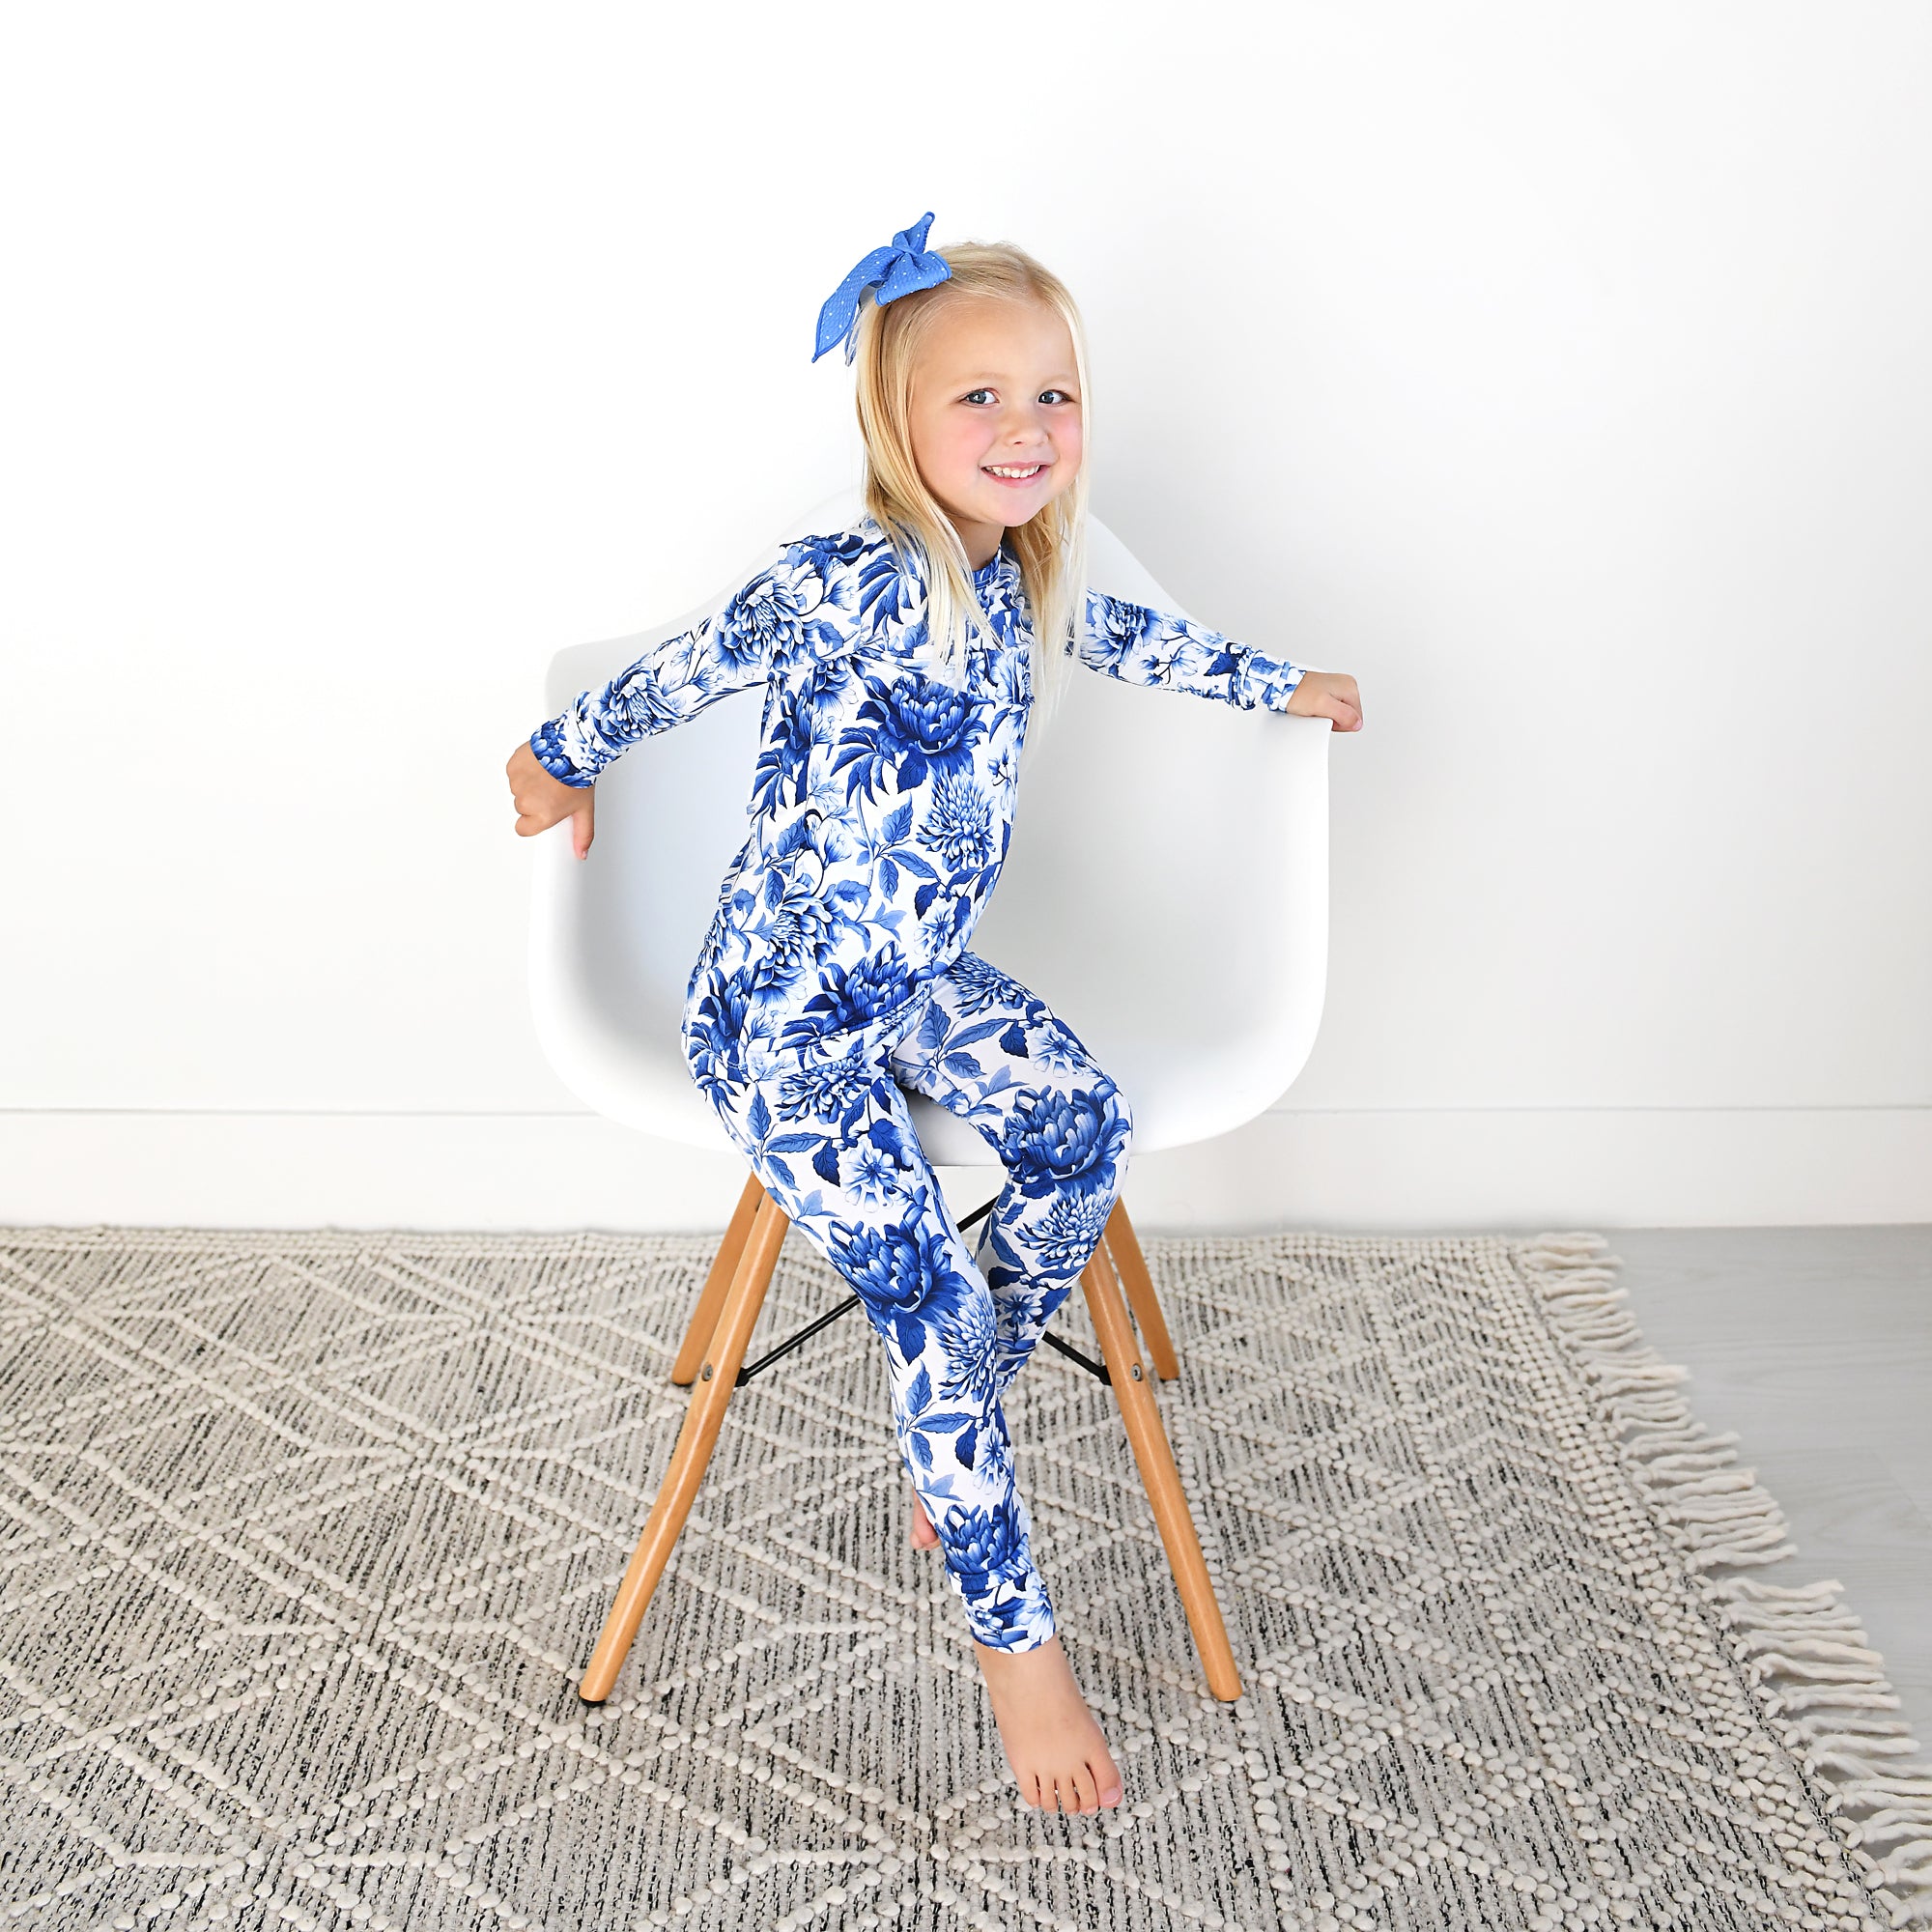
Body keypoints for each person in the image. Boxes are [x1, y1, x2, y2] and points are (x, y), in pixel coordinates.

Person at [505, 214, 1364, 1817]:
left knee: (1084, 1125)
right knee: (930, 1316)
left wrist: (1276, 686)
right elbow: (681, 670)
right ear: (894, 422)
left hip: (906, 984)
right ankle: (1016, 1647)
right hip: (781, 1019)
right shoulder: (839, 582)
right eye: (980, 397)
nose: (1026, 429)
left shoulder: (1021, 572)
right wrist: (552, 757)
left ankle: (965, 1398)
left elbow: (1128, 635)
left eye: (1053, 395)